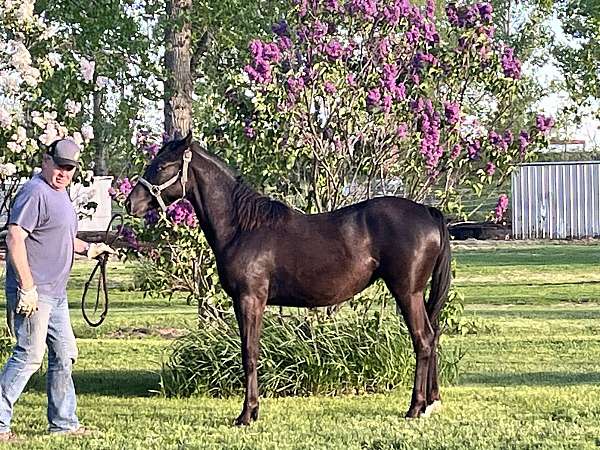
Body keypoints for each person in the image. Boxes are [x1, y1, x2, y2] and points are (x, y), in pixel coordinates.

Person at [0, 138, 114, 441]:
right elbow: (14, 238)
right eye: (60, 165)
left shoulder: (60, 194)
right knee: (29, 357)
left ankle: (63, 423)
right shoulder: (35, 192)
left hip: (56, 294)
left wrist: (90, 249)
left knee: (65, 354)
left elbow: (60, 237)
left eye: (69, 168)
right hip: (35, 293)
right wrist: (26, 287)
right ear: (45, 160)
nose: (64, 172)